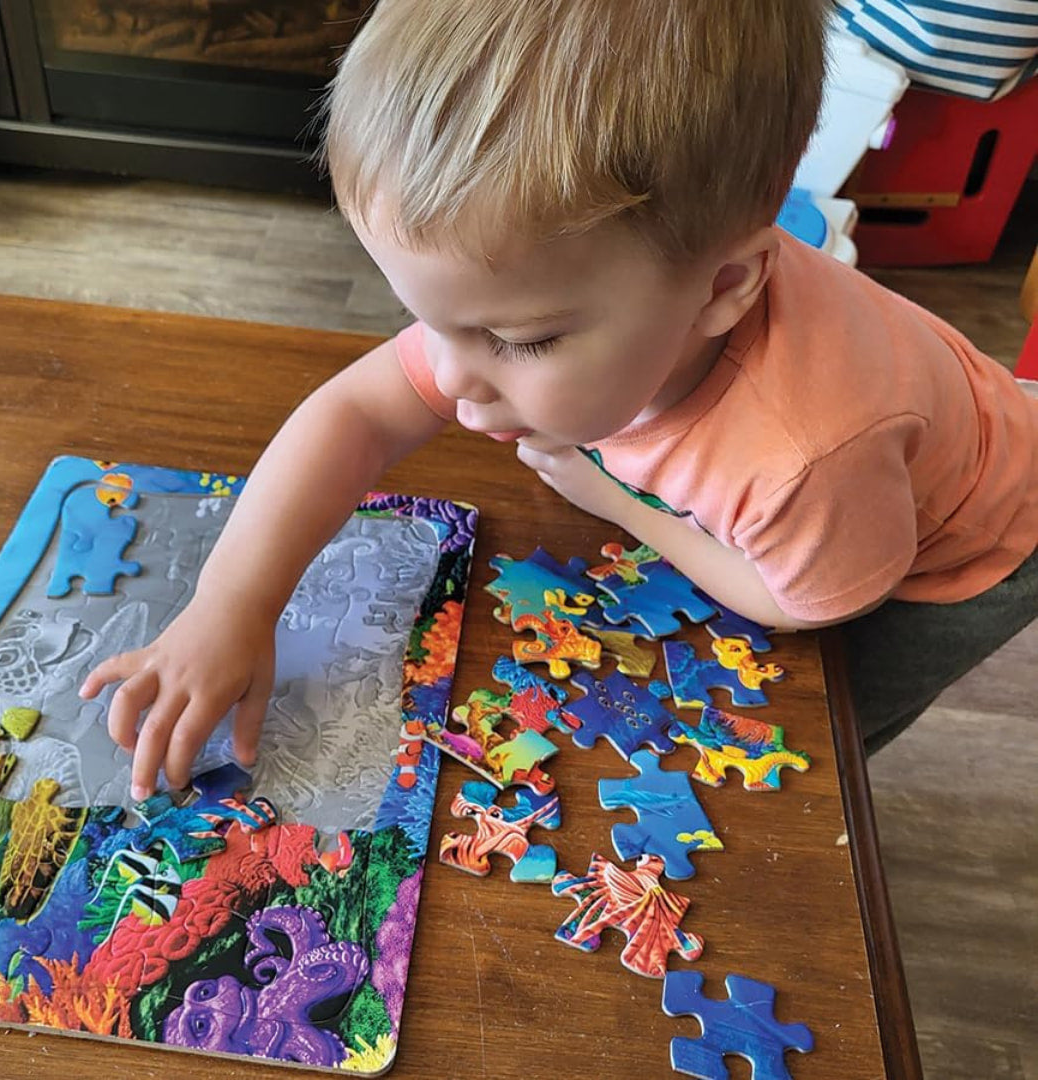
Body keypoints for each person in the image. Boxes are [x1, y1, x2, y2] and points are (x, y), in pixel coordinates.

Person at [79, 0, 1038, 800]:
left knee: (820, 744)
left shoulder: (804, 456)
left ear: (721, 288)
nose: (450, 383)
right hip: (860, 467)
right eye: (426, 318)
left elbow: (798, 602)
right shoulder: (566, 285)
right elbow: (355, 414)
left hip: (969, 546)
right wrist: (229, 605)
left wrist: (613, 497)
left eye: (521, 340)